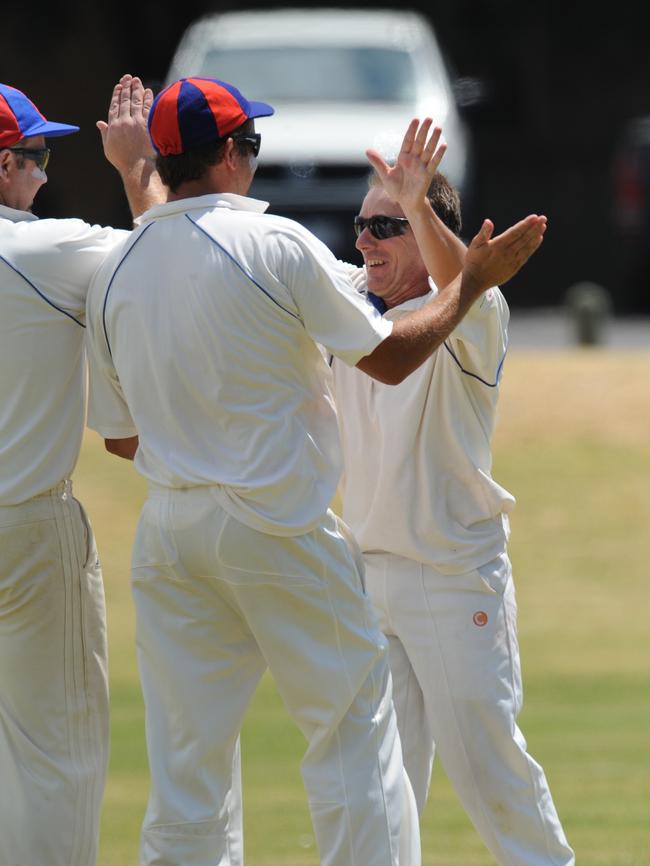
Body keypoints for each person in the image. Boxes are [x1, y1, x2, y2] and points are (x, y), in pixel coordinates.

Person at [84, 75, 546, 866]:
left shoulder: (121, 265)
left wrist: (136, 179)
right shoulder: (280, 247)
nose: (365, 237)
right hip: (279, 526)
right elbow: (394, 354)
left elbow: (122, 439)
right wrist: (472, 276)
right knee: (357, 742)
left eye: (384, 224)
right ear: (232, 154)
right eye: (253, 146)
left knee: (187, 770)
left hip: (172, 540)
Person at [330, 158, 575, 865]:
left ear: (431, 232)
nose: (366, 241)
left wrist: (423, 209)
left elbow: (455, 283)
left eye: (387, 225)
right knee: (381, 789)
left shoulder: (476, 312)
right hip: (369, 580)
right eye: (362, 224)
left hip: (451, 576)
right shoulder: (347, 303)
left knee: (489, 771)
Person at [0, 75, 164, 866]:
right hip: (25, 527)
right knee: (56, 759)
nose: (43, 172)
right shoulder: (46, 248)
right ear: (3, 165)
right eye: (34, 156)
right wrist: (137, 170)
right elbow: (175, 257)